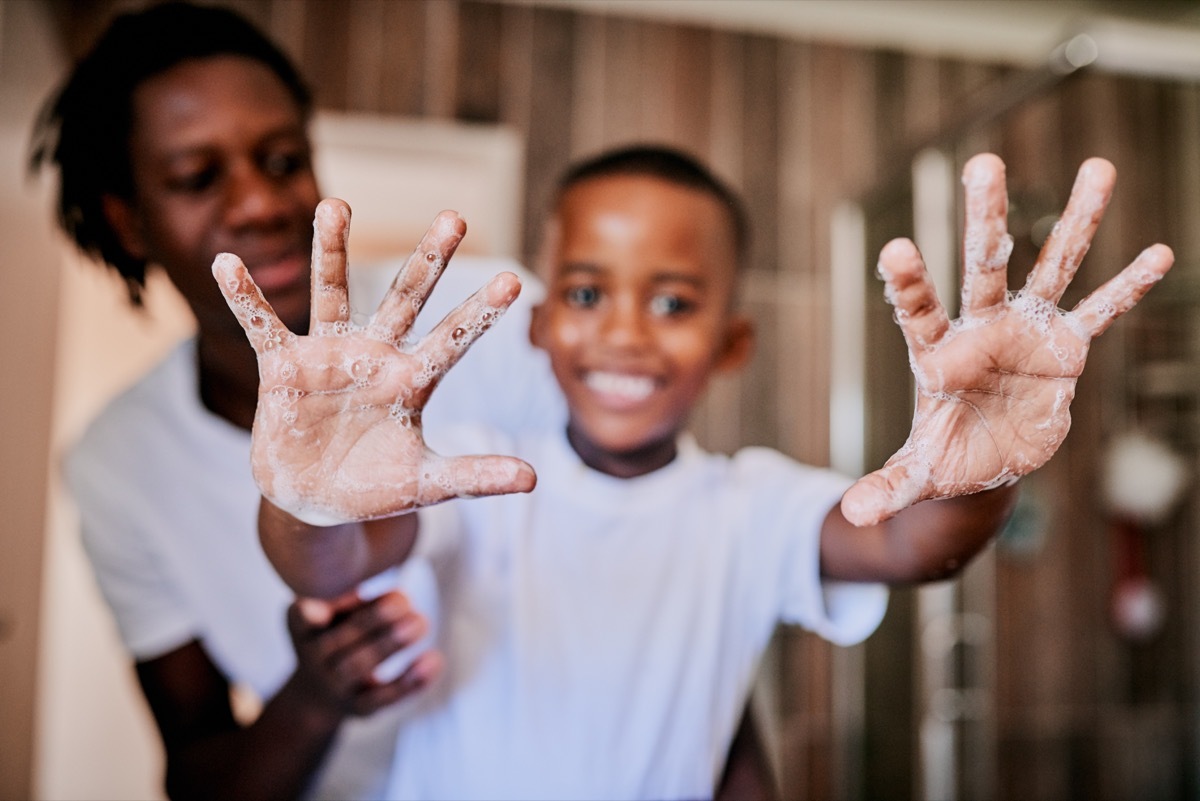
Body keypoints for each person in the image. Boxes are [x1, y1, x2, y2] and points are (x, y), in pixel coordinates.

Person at [222, 144, 1174, 800]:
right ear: (544, 326)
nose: (627, 332)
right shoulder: (474, 478)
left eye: (673, 301)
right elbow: (329, 568)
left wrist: (983, 472)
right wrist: (306, 496)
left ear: (731, 343)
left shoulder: (748, 507)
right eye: (589, 292)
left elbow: (918, 546)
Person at [30, 4, 774, 799]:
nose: (260, 203)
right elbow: (200, 771)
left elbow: (671, 561)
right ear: (126, 219)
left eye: (282, 160)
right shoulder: (118, 462)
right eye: (196, 177)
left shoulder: (475, 318)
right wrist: (314, 698)